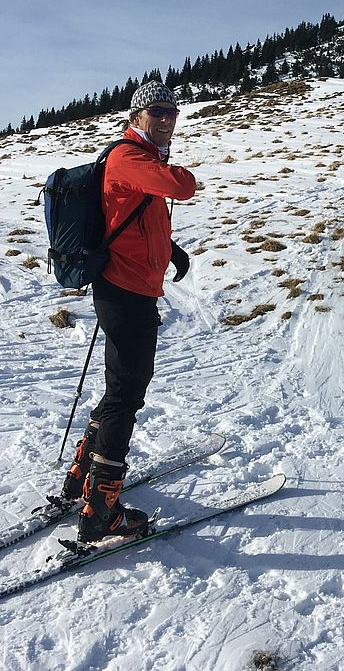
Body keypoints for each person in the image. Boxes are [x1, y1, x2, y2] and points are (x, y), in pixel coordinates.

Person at [59, 80, 197, 542]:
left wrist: (171, 251)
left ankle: (82, 477)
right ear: (137, 116)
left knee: (119, 388)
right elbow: (184, 187)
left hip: (131, 286)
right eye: (155, 111)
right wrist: (166, 165)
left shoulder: (139, 161)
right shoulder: (129, 157)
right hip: (125, 292)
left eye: (171, 112)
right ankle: (101, 510)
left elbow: (136, 216)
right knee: (126, 396)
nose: (165, 118)